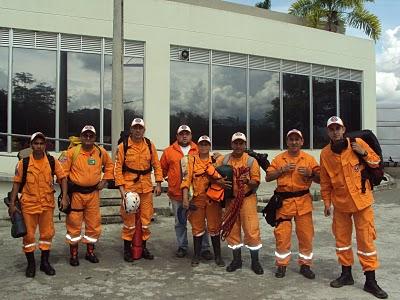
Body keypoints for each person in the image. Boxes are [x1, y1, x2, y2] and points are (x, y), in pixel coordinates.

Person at [320, 116, 388, 299]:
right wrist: (326, 203)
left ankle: (371, 281)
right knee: (342, 241)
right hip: (340, 204)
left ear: (344, 129)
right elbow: (325, 182)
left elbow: (376, 163)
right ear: (328, 132)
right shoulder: (325, 154)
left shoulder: (357, 143)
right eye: (332, 129)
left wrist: (364, 153)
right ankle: (346, 274)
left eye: (338, 128)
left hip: (362, 202)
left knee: (366, 242)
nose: (335, 131)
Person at [8, 132, 68, 277]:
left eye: (41, 143)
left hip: (47, 205)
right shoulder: (24, 163)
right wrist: (12, 203)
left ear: (45, 145)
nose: (39, 146)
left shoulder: (52, 161)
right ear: (31, 145)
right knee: (28, 236)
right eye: (36, 143)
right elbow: (16, 183)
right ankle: (31, 264)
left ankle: (44, 263)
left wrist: (64, 197)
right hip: (28, 205)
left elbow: (63, 178)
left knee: (47, 234)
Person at [265, 129, 320, 279]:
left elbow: (321, 178)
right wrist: (281, 170)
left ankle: (305, 265)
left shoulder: (309, 159)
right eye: (291, 139)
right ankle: (282, 265)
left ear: (302, 142)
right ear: (287, 142)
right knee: (282, 236)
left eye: (297, 139)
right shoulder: (279, 159)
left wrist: (310, 173)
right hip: (284, 203)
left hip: (303, 203)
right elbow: (268, 177)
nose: (294, 142)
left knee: (306, 236)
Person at [59, 125, 114, 266]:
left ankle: (90, 252)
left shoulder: (100, 152)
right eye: (85, 135)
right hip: (76, 194)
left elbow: (110, 166)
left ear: (95, 138)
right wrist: (64, 195)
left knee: (93, 224)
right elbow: (62, 174)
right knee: (74, 223)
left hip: (93, 194)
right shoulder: (71, 153)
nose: (88, 138)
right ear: (81, 137)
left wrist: (105, 181)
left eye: (91, 136)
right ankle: (74, 254)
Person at [114, 118, 163, 262]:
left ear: (144, 130)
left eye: (140, 128)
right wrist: (123, 192)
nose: (137, 130)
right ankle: (127, 249)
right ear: (131, 129)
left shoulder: (149, 144)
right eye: (135, 128)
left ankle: (143, 247)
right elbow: (117, 170)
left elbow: (156, 164)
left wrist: (159, 183)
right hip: (130, 188)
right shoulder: (123, 146)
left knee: (146, 220)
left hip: (146, 188)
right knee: (129, 221)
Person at [160, 125, 212, 259]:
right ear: (177, 136)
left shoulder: (199, 149)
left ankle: (204, 248)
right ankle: (182, 246)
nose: (184, 136)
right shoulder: (168, 152)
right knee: (180, 222)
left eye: (187, 134)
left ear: (191, 135)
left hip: (197, 194)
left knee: (201, 222)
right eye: (181, 134)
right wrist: (169, 180)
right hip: (177, 194)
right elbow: (161, 169)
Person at [216, 132, 263, 275]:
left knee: (251, 230)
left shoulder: (251, 161)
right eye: (235, 143)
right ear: (231, 145)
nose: (238, 146)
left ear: (245, 145)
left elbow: (256, 181)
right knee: (232, 230)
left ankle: (255, 262)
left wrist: (247, 181)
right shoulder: (223, 160)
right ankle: (236, 260)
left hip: (246, 199)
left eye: (241, 143)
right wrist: (219, 181)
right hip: (230, 201)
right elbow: (212, 174)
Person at [180, 135, 229, 267]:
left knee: (214, 227)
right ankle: (196, 256)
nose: (203, 147)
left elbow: (230, 161)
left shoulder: (216, 159)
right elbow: (186, 179)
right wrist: (185, 198)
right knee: (197, 228)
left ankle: (218, 256)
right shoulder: (191, 160)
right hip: (197, 199)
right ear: (198, 146)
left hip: (213, 199)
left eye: (206, 144)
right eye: (201, 144)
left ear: (210, 146)